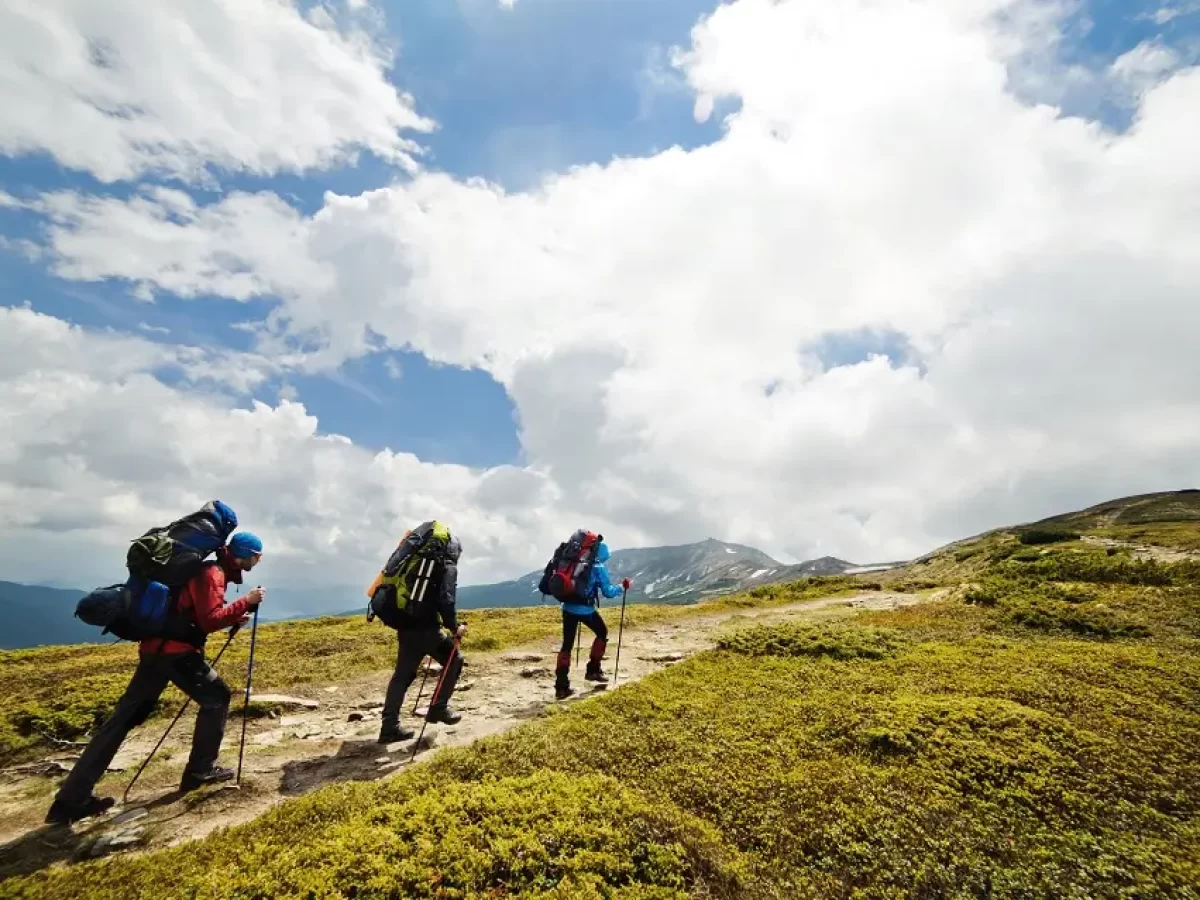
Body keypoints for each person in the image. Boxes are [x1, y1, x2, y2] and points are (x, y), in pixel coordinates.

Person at [45, 532, 266, 826]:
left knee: (121, 721)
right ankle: (200, 771)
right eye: (257, 557)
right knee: (217, 697)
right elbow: (209, 620)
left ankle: (70, 801)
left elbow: (198, 612)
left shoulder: (206, 571)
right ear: (246, 555)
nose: (257, 561)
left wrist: (233, 614)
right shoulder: (211, 573)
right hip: (177, 654)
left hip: (154, 651)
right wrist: (245, 603)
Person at [378, 531, 467, 744]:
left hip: (405, 625)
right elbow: (446, 599)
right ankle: (438, 707)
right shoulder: (446, 565)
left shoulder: (417, 560)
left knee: (402, 675)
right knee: (454, 659)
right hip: (426, 628)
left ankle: (389, 727)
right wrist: (455, 627)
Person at [555, 541, 630, 700]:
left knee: (567, 645)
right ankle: (593, 671)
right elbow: (608, 592)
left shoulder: (574, 562)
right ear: (602, 554)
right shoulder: (597, 567)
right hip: (585, 610)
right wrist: (622, 587)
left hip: (567, 608)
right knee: (602, 632)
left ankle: (561, 687)